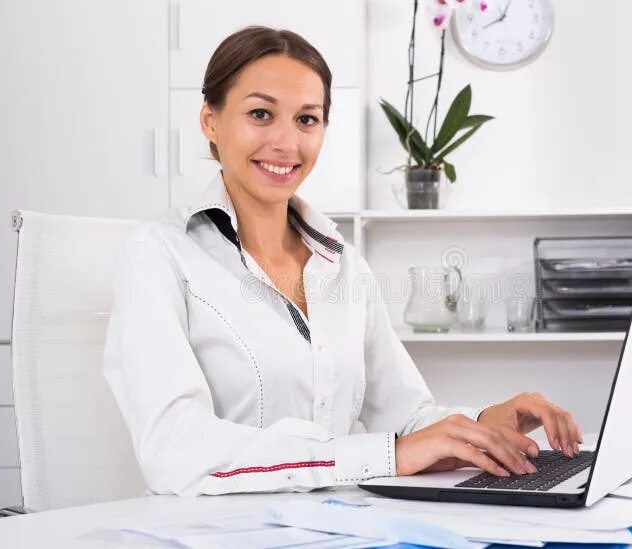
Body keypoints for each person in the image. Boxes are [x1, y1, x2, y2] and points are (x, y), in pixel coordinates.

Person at [103, 26, 583, 497]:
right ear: (211, 120)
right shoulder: (158, 254)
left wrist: (483, 425)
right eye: (260, 114)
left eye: (307, 120)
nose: (286, 143)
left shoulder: (342, 264)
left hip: (339, 527)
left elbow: (405, 421)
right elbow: (174, 451)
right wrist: (380, 456)